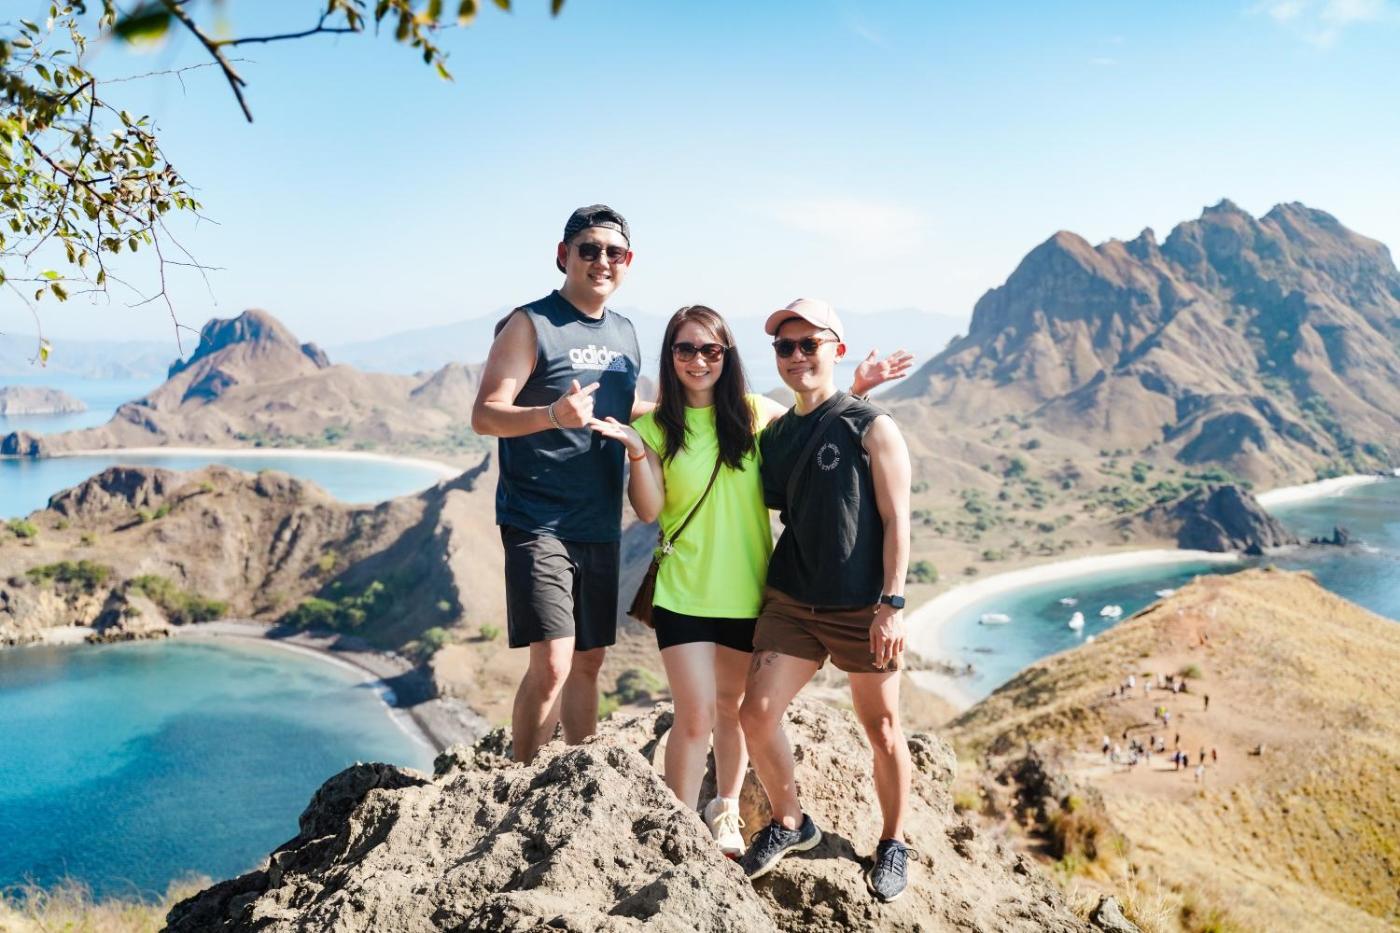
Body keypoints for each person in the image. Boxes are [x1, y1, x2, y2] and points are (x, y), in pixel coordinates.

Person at [587, 304, 908, 857]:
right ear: (670, 356)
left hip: (766, 592)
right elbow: (650, 507)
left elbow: (825, 426)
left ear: (727, 355)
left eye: (710, 349)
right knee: (709, 714)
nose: (698, 359)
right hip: (705, 593)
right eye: (685, 349)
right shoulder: (660, 429)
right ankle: (683, 830)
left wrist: (856, 387)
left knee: (750, 711)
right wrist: (628, 442)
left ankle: (735, 812)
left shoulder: (758, 415)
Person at [736, 299, 916, 903]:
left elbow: (897, 520)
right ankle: (791, 822)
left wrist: (891, 604)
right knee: (756, 714)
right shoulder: (776, 436)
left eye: (808, 344)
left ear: (836, 349)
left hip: (862, 606)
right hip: (792, 599)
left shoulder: (873, 426)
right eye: (784, 347)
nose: (796, 356)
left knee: (882, 728)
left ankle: (894, 842)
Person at [471, 204, 645, 764]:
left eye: (614, 252)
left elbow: (617, 407)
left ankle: (578, 774)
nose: (601, 261)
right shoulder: (530, 324)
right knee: (552, 662)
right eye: (589, 249)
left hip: (599, 520)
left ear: (628, 261)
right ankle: (521, 781)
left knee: (589, 662)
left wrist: (691, 410)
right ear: (563, 255)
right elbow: (486, 414)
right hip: (537, 518)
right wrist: (552, 416)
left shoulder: (626, 333)